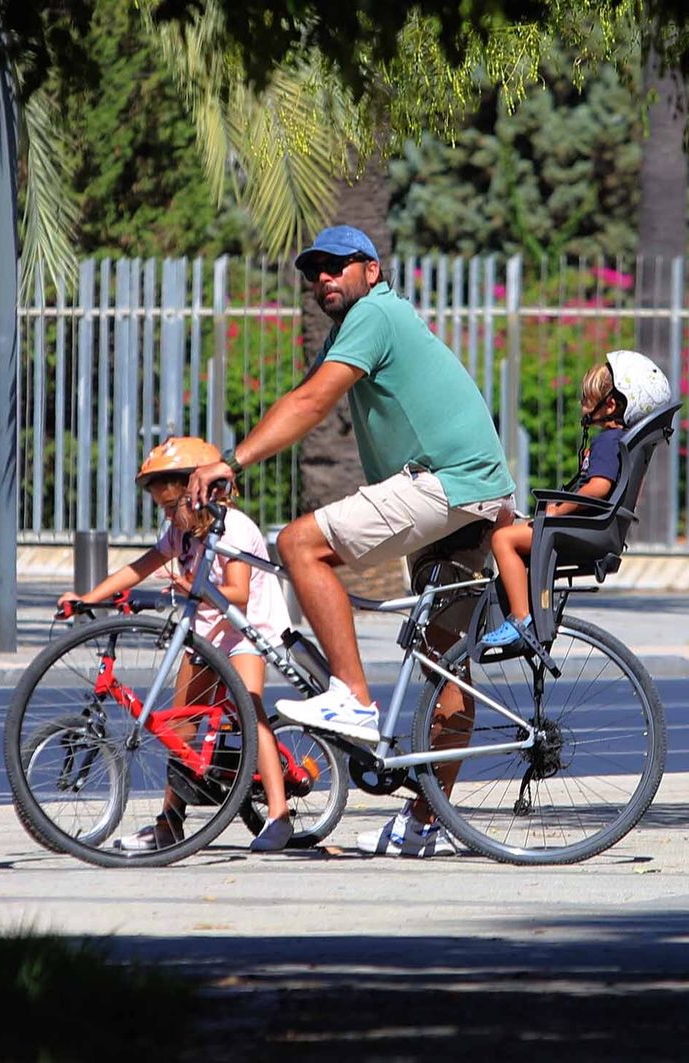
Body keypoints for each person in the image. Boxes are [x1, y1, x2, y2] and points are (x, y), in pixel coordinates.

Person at [187, 224, 517, 858]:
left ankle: (353, 699)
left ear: (371, 268)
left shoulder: (376, 313)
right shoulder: (365, 324)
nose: (323, 279)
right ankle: (424, 825)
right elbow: (299, 398)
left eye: (337, 266)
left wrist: (233, 460)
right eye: (314, 271)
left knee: (299, 545)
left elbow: (312, 402)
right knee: (446, 668)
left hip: (445, 483)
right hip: (476, 491)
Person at [60, 437, 299, 853]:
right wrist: (88, 598)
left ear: (204, 493)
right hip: (205, 633)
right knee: (180, 730)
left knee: (248, 709)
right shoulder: (181, 533)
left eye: (174, 507)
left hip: (245, 632)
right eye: (164, 510)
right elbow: (140, 567)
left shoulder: (235, 528)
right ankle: (169, 822)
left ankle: (278, 815)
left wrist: (193, 586)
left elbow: (238, 594)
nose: (170, 517)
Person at [480, 350, 671, 648]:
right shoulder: (620, 443)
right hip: (590, 527)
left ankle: (520, 619)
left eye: (587, 399)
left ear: (610, 405)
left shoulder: (608, 442)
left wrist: (558, 510)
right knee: (516, 535)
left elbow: (597, 488)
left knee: (502, 539)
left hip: (580, 528)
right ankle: (524, 609)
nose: (582, 406)